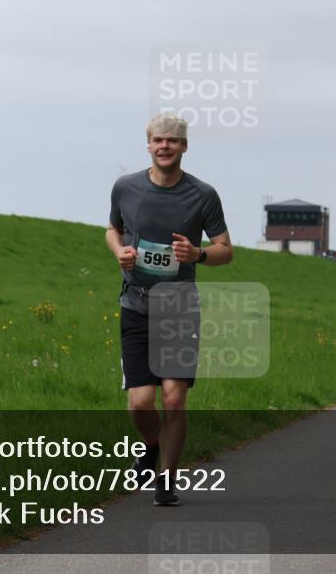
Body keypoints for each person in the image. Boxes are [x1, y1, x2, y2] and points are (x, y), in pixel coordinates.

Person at [105, 113, 233, 506]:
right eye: (158, 140)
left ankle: (167, 480)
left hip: (179, 305)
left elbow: (226, 251)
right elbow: (112, 229)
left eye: (173, 141)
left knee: (174, 399)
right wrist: (120, 253)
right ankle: (151, 445)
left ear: (185, 146)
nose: (165, 146)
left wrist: (198, 253)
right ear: (148, 144)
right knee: (141, 402)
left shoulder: (203, 195)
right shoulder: (126, 187)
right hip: (136, 304)